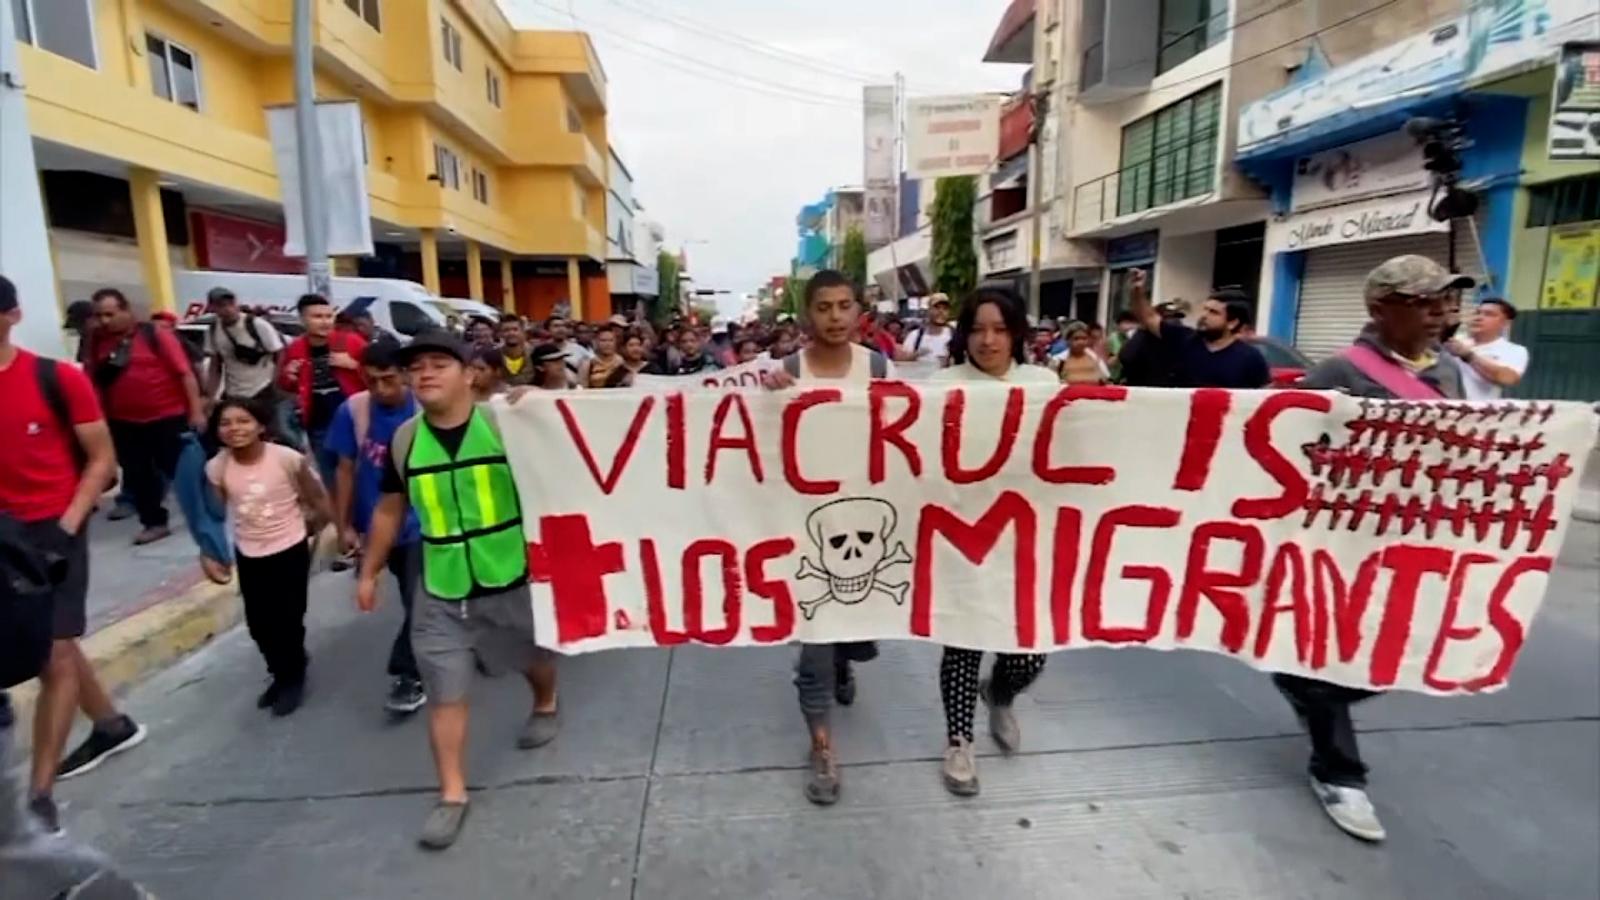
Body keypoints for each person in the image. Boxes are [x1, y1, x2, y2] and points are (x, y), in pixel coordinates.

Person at [1288, 254, 1472, 843]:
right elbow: (1287, 453)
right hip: (1339, 550)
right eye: (1422, 301)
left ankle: (1301, 686)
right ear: (1379, 309)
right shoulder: (1339, 373)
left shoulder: (1446, 372)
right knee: (1331, 656)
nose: (1440, 312)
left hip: (1411, 547)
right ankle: (1339, 773)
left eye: (1445, 299)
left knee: (1390, 656)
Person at [356, 328, 559, 850]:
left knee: (530, 655)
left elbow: (574, 462)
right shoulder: (405, 439)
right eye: (416, 366)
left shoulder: (505, 423)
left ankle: (545, 701)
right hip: (441, 585)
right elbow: (389, 507)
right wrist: (369, 570)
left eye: (437, 364)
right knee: (446, 691)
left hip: (509, 573)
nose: (423, 373)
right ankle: (451, 793)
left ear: (470, 373)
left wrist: (546, 406)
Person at [0, 276, 146, 836]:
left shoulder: (56, 378)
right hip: (2, 537)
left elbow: (101, 460)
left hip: (55, 527)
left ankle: (39, 797)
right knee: (48, 638)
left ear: (12, 315)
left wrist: (66, 526)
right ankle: (109, 724)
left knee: (53, 651)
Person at [766, 269, 894, 806]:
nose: (836, 317)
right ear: (807, 314)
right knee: (814, 639)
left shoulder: (878, 367)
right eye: (824, 307)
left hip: (864, 521)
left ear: (858, 310)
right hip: (807, 527)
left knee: (852, 633)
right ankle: (821, 744)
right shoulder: (786, 372)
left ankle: (844, 658)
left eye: (845, 305)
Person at [929, 287, 1055, 796]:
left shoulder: (1044, 383)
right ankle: (959, 741)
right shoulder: (942, 386)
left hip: (1026, 540)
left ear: (1016, 334)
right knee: (963, 644)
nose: (988, 340)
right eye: (978, 329)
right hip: (963, 538)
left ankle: (1000, 695)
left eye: (1000, 329)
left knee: (1031, 651)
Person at [206, 397, 332, 718]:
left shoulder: (286, 459)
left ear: (261, 425)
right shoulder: (218, 467)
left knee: (288, 619)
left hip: (289, 547)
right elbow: (214, 513)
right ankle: (281, 670)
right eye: (226, 423)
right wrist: (210, 551)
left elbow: (317, 499)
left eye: (243, 421)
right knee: (260, 624)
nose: (235, 429)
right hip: (249, 552)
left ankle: (292, 679)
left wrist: (319, 527)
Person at [328, 338, 426, 716]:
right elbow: (345, 470)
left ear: (406, 375)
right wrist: (345, 526)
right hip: (383, 525)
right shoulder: (354, 413)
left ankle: (408, 673)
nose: (382, 389)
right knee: (414, 596)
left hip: (427, 524)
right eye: (372, 381)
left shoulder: (426, 407)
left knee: (421, 600)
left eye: (389, 379)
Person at [84, 288, 206, 545]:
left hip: (167, 417)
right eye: (99, 316)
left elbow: (185, 373)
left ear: (126, 310)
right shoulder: (95, 341)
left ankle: (203, 513)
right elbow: (93, 380)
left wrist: (196, 410)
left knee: (183, 471)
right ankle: (153, 522)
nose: (105, 321)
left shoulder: (154, 335)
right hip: (123, 422)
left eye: (110, 314)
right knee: (139, 475)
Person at [278, 294, 367, 488]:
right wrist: (289, 376)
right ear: (302, 319)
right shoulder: (296, 347)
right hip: (318, 422)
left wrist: (353, 365)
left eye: (328, 316)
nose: (325, 322)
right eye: (317, 317)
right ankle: (340, 516)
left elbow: (381, 374)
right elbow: (287, 385)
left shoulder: (352, 342)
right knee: (329, 477)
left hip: (353, 418)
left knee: (361, 474)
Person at [1126, 279, 1270, 389]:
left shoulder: (1251, 358)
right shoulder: (1183, 340)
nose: (1204, 316)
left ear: (1232, 322)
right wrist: (1137, 290)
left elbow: (1262, 398)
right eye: (1205, 309)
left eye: (1213, 312)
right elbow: (1149, 318)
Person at [204, 287, 285, 406]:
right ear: (212, 308)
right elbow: (215, 366)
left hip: (262, 389)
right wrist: (210, 397)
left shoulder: (257, 325)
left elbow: (280, 354)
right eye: (221, 305)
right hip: (234, 393)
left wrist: (275, 383)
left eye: (231, 304)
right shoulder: (213, 330)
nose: (228, 309)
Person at [1447, 297, 1528, 401]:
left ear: (1505, 323)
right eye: (1477, 313)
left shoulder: (1514, 350)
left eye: (1489, 314)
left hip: (1476, 412)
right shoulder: (1453, 342)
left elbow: (1508, 378)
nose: (1478, 318)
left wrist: (1469, 356)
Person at [1052, 321, 1110, 385]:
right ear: (1068, 340)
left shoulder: (1094, 358)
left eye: (1084, 338)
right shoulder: (1058, 361)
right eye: (1076, 339)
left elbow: (1106, 379)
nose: (1080, 342)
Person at [901, 294, 954, 364]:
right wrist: (916, 355)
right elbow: (902, 362)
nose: (941, 311)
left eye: (945, 309)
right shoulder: (915, 336)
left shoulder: (954, 336)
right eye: (937, 308)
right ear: (929, 310)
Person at [652, 327, 721, 375]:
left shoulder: (710, 364)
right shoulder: (677, 369)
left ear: (698, 342)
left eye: (692, 340)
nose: (689, 344)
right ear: (679, 345)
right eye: (684, 341)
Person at [545, 315, 591, 386]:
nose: (561, 329)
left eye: (563, 326)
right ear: (548, 330)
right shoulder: (542, 350)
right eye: (556, 326)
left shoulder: (579, 350)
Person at [497, 318, 538, 387]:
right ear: (500, 334)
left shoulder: (534, 353)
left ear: (522, 332)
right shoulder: (495, 355)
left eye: (515, 329)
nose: (511, 333)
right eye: (506, 330)